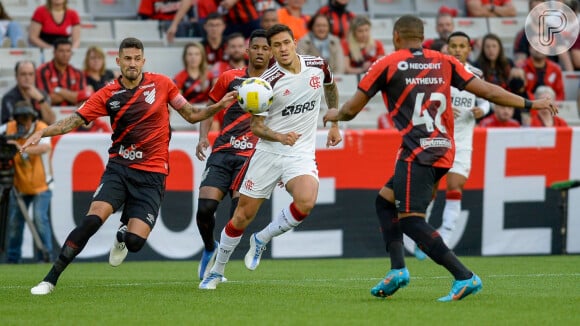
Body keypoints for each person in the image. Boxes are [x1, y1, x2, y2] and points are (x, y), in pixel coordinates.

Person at [323, 15, 557, 301]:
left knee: (410, 221)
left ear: (396, 36)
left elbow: (351, 110)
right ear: (422, 37)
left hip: (418, 151)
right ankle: (397, 269)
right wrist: (531, 104)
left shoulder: (387, 63)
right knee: (385, 202)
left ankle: (464, 276)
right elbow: (488, 91)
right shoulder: (445, 62)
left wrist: (336, 115)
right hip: (444, 149)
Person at [24, 37, 239, 295]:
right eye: (127, 59)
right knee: (92, 220)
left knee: (135, 243)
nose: (132, 63)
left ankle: (123, 234)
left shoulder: (162, 84)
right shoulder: (108, 94)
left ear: (143, 61)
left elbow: (191, 114)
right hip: (119, 169)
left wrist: (219, 106)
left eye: (137, 59)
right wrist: (43, 132)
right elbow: (72, 121)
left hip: (152, 176)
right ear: (118, 61)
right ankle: (50, 279)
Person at [199, 24, 342, 290]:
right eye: (277, 46)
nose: (282, 49)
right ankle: (216, 271)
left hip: (299, 152)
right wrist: (279, 137)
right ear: (273, 51)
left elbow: (330, 85)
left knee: (306, 201)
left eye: (286, 43)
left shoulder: (317, 65)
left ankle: (262, 239)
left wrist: (334, 120)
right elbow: (256, 127)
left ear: (294, 42)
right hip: (268, 152)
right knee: (241, 216)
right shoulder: (267, 82)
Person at [194, 29, 272, 280]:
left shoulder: (277, 83)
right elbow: (209, 108)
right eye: (256, 47)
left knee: (237, 212)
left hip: (252, 156)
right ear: (247, 51)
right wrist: (203, 136)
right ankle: (209, 248)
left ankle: (220, 267)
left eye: (265, 48)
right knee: (205, 209)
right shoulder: (229, 77)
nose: (260, 52)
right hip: (223, 150)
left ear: (271, 53)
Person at [416, 31, 490, 260]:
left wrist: (482, 110)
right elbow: (422, 100)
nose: (458, 49)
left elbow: (486, 99)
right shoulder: (437, 71)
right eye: (454, 45)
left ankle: (445, 237)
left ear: (469, 49)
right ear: (447, 48)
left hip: (463, 140)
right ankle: (423, 234)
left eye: (462, 46)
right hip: (438, 138)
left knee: (455, 186)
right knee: (432, 188)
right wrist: (440, 106)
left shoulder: (476, 74)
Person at [2, 102, 53, 263]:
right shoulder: (9, 128)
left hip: (42, 185)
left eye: (26, 117)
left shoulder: (42, 127)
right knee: (15, 225)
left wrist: (19, 147)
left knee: (40, 220)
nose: (23, 121)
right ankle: (12, 259)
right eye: (19, 118)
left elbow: (44, 148)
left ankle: (45, 258)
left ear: (32, 118)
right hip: (19, 185)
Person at [36, 38, 93, 106]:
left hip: (73, 113)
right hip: (51, 112)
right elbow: (46, 99)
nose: (65, 54)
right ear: (54, 52)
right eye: (61, 51)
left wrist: (58, 90)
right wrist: (72, 96)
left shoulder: (78, 73)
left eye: (68, 51)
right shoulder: (43, 70)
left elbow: (82, 97)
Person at [1, 61, 55, 125]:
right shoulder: (9, 98)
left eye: (30, 74)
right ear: (16, 76)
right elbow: (9, 124)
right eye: (23, 74)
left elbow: (51, 121)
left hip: (41, 133)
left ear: (35, 76)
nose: (27, 78)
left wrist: (40, 100)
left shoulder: (42, 94)